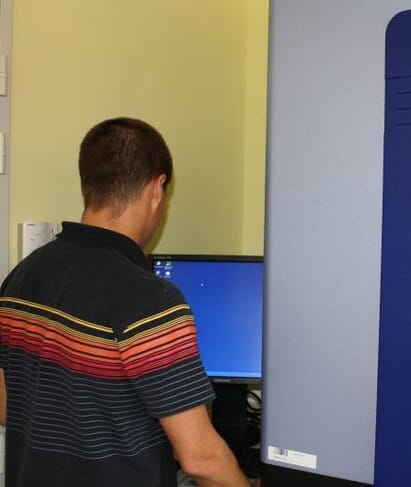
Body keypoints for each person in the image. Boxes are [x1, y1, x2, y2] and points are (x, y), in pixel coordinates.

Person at [0, 118, 252, 487]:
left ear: (88, 185)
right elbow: (200, 459)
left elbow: (7, 403)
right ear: (157, 188)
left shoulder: (24, 274)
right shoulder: (151, 300)